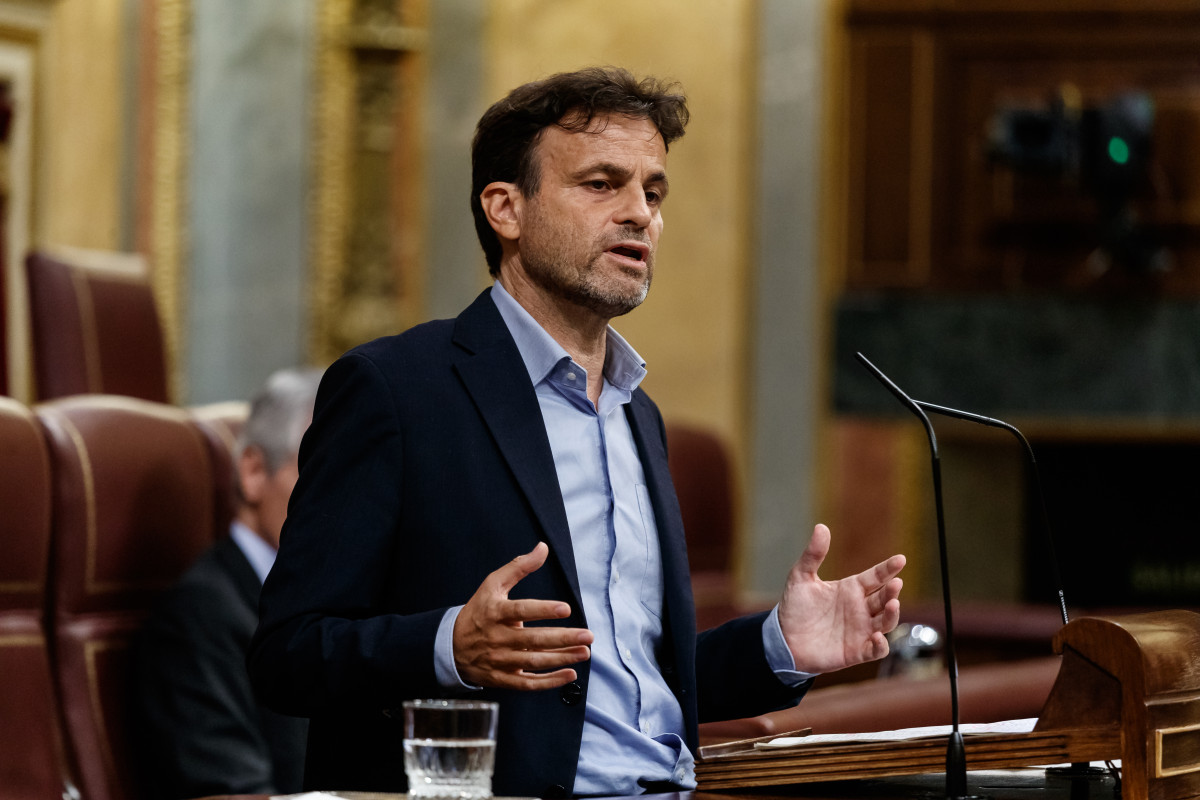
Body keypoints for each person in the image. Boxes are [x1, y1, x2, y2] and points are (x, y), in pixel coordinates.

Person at [248, 66, 905, 798]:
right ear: (506, 209)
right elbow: (287, 654)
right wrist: (448, 647)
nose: (639, 214)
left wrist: (781, 646)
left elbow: (630, 683)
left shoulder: (637, 414)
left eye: (653, 192)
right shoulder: (397, 391)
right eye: (602, 184)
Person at [134, 367, 322, 799]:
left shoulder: (350, 604)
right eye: (321, 473)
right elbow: (228, 790)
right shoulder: (199, 616)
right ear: (254, 472)